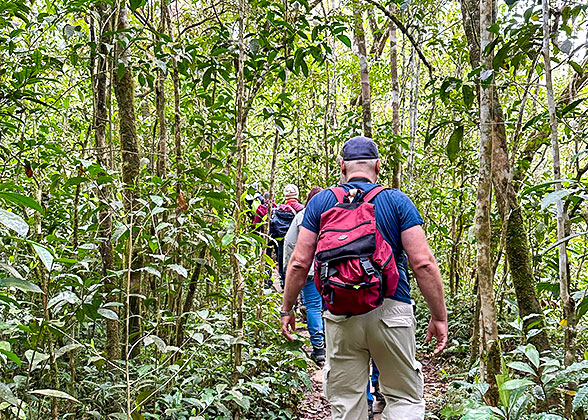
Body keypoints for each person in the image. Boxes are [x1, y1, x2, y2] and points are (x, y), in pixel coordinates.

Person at [280, 136, 448, 420]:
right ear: (378, 166)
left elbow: (298, 263)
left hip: (340, 312)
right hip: (391, 309)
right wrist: (439, 316)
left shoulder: (321, 202)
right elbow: (423, 264)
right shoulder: (397, 201)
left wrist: (287, 309)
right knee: (404, 398)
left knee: (346, 402)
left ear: (342, 167)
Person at [283, 186, 325, 364]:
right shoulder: (336, 214)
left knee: (314, 307)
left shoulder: (303, 216)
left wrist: (287, 271)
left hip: (309, 271)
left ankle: (319, 348)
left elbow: (290, 243)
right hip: (333, 271)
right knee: (330, 307)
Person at [270, 184, 304, 287]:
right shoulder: (301, 209)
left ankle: (283, 281)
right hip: (297, 239)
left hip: (281, 238)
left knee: (282, 258)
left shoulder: (279, 209)